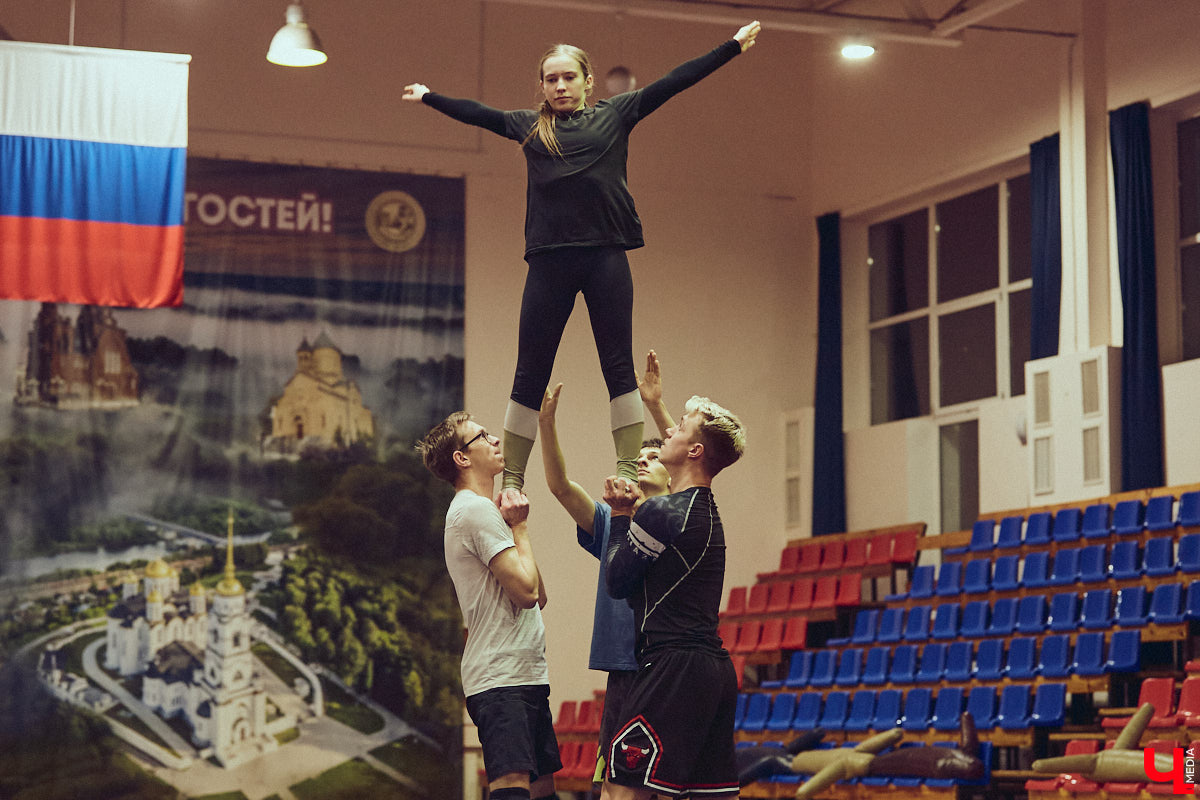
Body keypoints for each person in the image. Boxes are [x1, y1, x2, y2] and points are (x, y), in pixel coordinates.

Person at [402, 21, 761, 493]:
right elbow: (478, 114)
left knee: (617, 365)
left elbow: (675, 82)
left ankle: (629, 469)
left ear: (588, 81)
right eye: (551, 79)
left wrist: (731, 47)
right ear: (543, 87)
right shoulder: (530, 127)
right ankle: (512, 477)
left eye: (569, 77)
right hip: (550, 262)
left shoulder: (615, 114)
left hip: (605, 257)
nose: (560, 86)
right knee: (529, 370)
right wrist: (430, 96)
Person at [602, 396, 747, 800]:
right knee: (708, 795)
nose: (668, 430)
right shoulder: (706, 511)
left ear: (695, 450)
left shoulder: (662, 513)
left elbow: (617, 581)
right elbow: (694, 450)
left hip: (672, 666)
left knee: (621, 789)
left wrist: (618, 515)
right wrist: (656, 402)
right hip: (714, 672)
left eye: (679, 428)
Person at [417, 413, 559, 800]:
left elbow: (538, 596)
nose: (496, 439)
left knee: (543, 789)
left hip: (523, 673)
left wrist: (514, 525)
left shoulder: (485, 512)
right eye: (482, 436)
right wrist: (521, 527)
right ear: (462, 458)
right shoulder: (473, 511)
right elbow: (527, 593)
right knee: (512, 790)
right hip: (500, 678)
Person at [538, 378, 671, 794]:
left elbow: (691, 460)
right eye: (639, 455)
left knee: (652, 786)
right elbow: (560, 487)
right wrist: (545, 422)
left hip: (661, 668)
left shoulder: (682, 519)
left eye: (654, 455)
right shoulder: (613, 522)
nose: (644, 460)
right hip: (621, 670)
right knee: (609, 786)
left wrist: (656, 405)